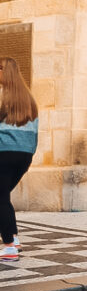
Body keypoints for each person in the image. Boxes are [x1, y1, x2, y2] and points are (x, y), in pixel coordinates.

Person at [0, 58, 38, 262]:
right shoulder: (29, 100)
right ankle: (13, 239)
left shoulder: (2, 96)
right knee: (3, 196)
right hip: (24, 156)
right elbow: (35, 133)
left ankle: (8, 248)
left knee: (0, 198)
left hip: (4, 153)